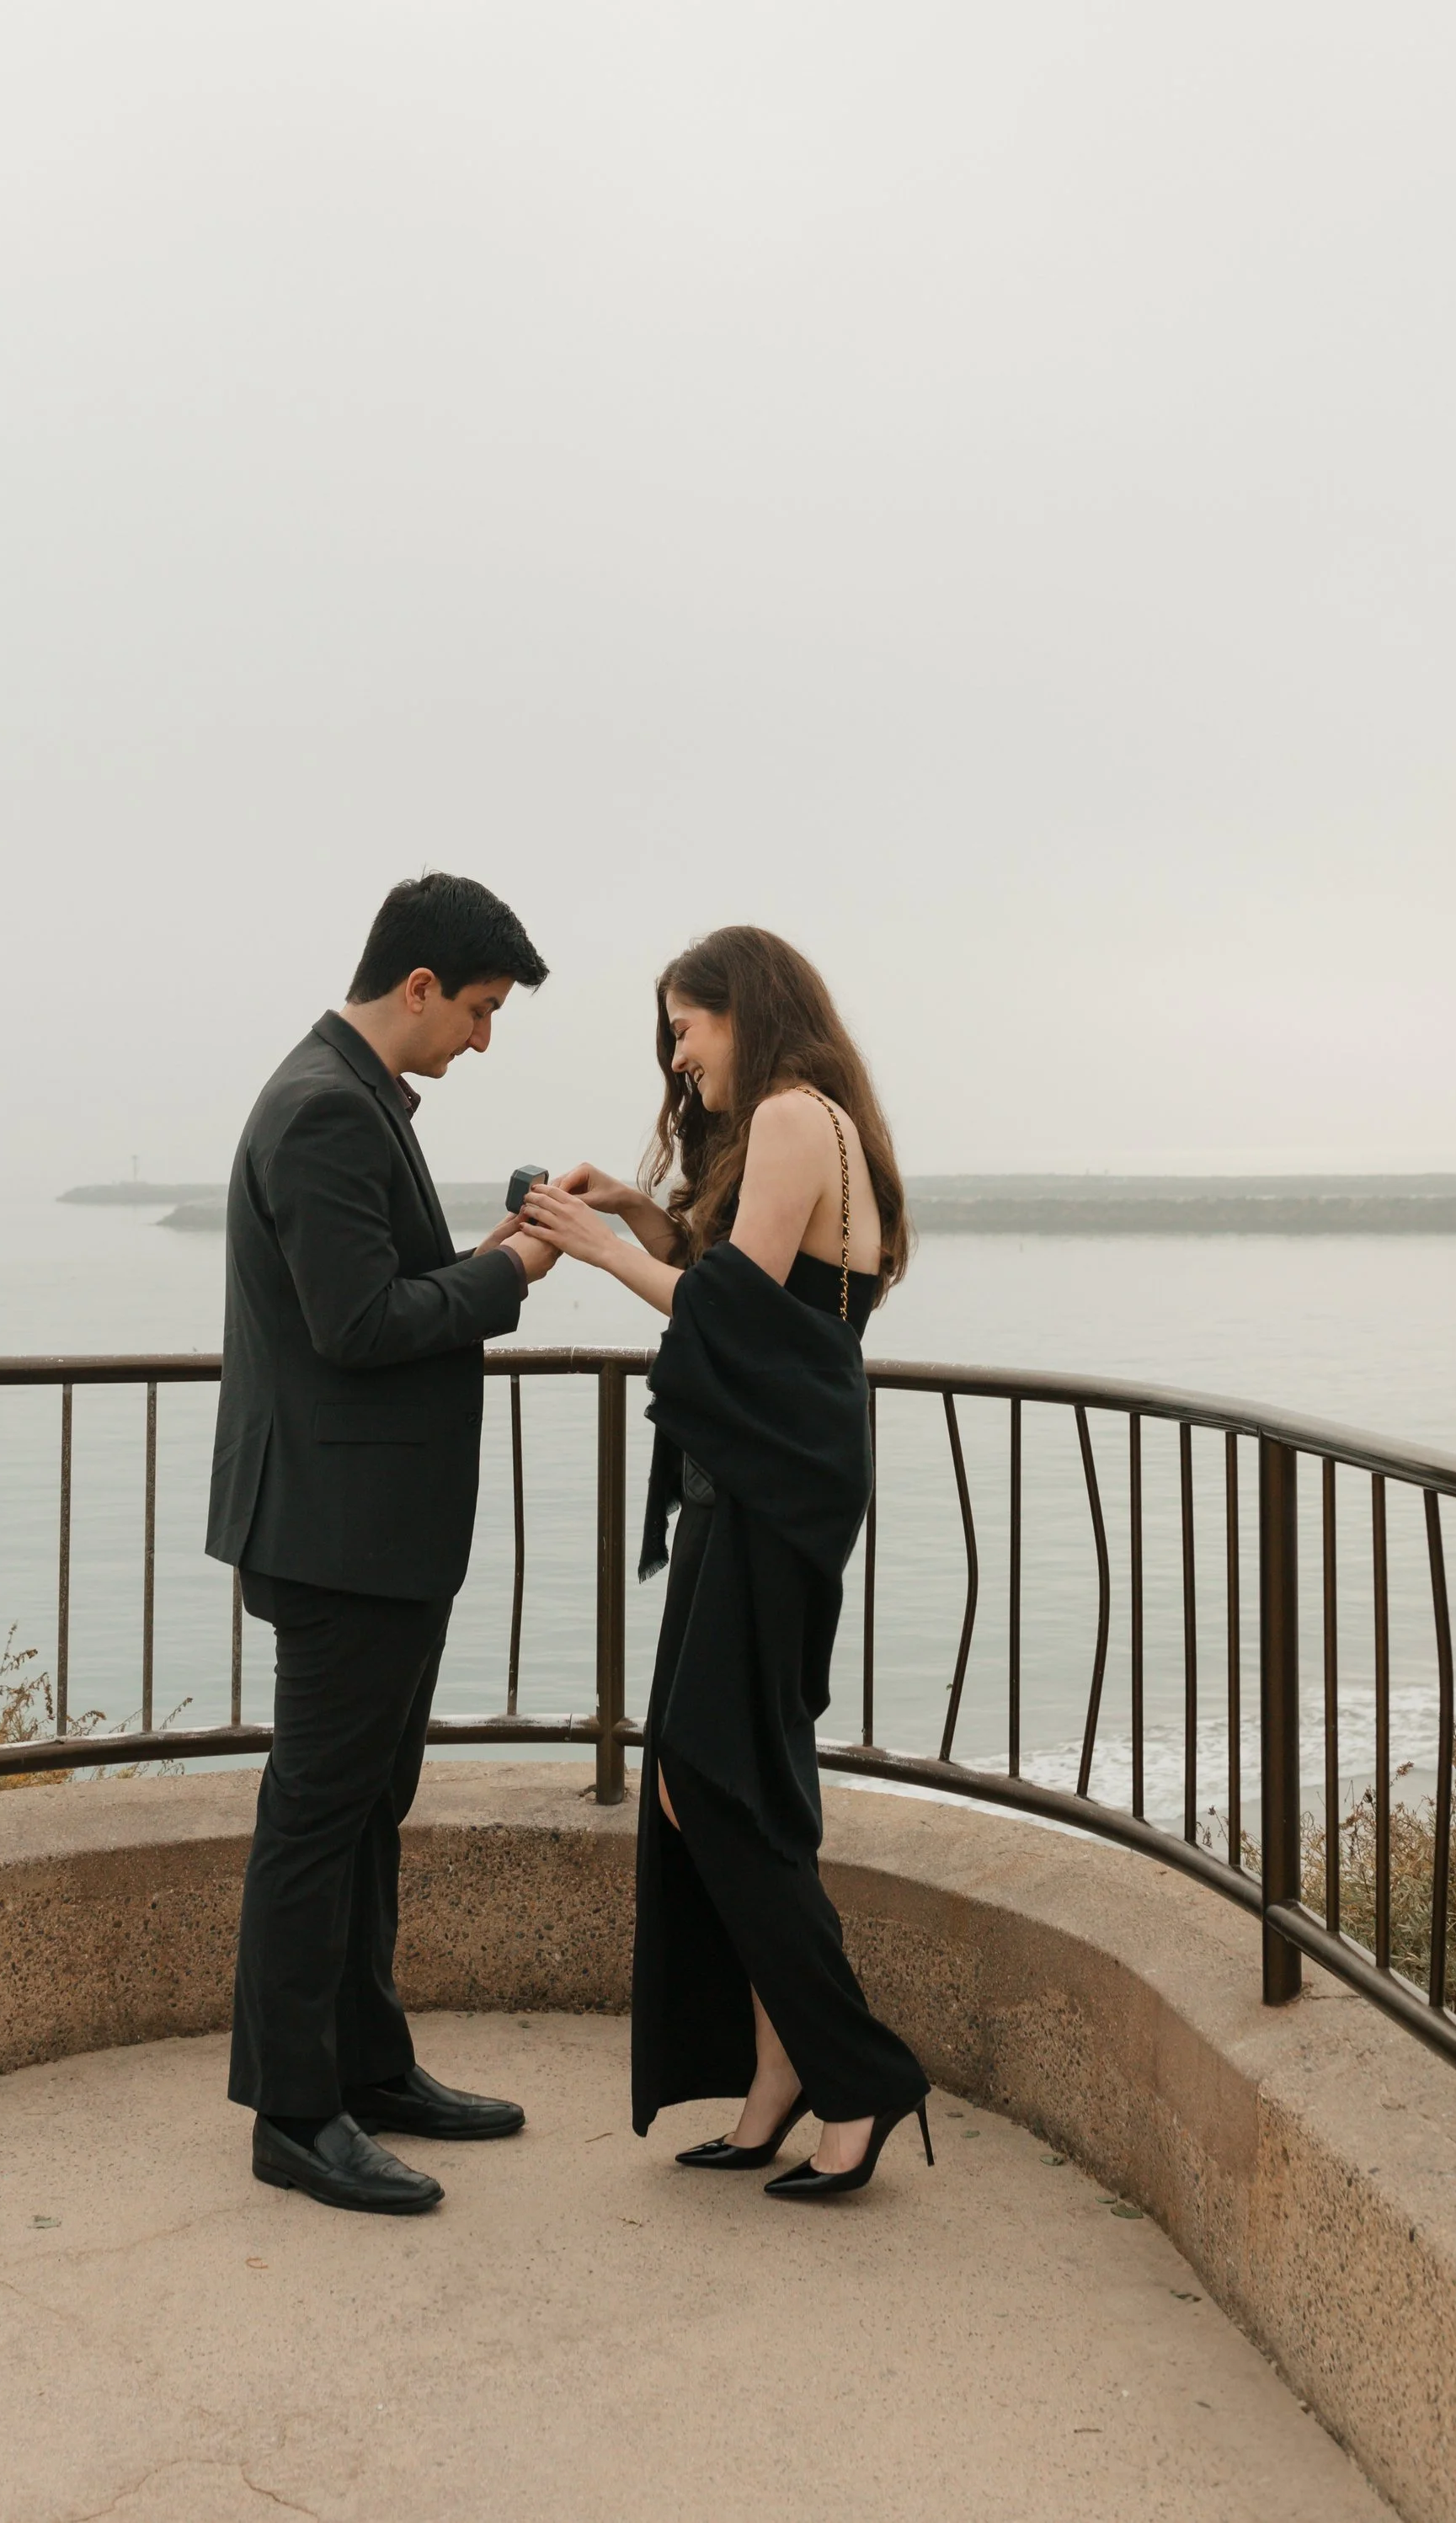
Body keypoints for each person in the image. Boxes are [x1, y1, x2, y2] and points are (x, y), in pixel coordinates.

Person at [514, 925, 933, 2200]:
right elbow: (749, 1280)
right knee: (737, 1771)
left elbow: (723, 1314)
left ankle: (850, 2071)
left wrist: (599, 1248)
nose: (677, 1055)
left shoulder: (799, 1117)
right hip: (768, 1472)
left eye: (685, 1027)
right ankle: (780, 2079)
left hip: (771, 1485)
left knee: (711, 1773)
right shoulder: (811, 1122)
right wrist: (642, 1212)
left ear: (742, 1012)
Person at [207, 872, 558, 2215]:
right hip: (340, 1537)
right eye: (478, 1010)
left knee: (364, 1811)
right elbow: (356, 1326)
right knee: (317, 1817)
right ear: (418, 987)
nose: (482, 1038)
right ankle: (296, 2114)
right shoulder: (320, 1113)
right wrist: (512, 1274)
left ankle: (366, 2062)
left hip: (373, 1535)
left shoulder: (351, 1100)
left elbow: (377, 1294)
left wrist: (489, 1249)